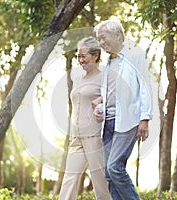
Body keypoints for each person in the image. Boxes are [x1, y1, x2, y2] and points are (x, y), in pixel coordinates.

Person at [92, 19, 153, 200]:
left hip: (127, 121)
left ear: (117, 35)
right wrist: (100, 108)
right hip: (109, 122)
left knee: (114, 167)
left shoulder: (134, 57)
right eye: (98, 39)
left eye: (103, 38)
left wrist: (145, 119)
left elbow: (145, 87)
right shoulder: (108, 64)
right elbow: (111, 96)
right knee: (110, 174)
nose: (101, 43)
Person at [58, 37, 111, 200]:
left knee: (100, 183)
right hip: (76, 137)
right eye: (78, 57)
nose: (80, 60)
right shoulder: (78, 79)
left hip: (94, 137)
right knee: (69, 179)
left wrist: (101, 101)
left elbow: (114, 97)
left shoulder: (105, 78)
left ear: (95, 56)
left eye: (84, 56)